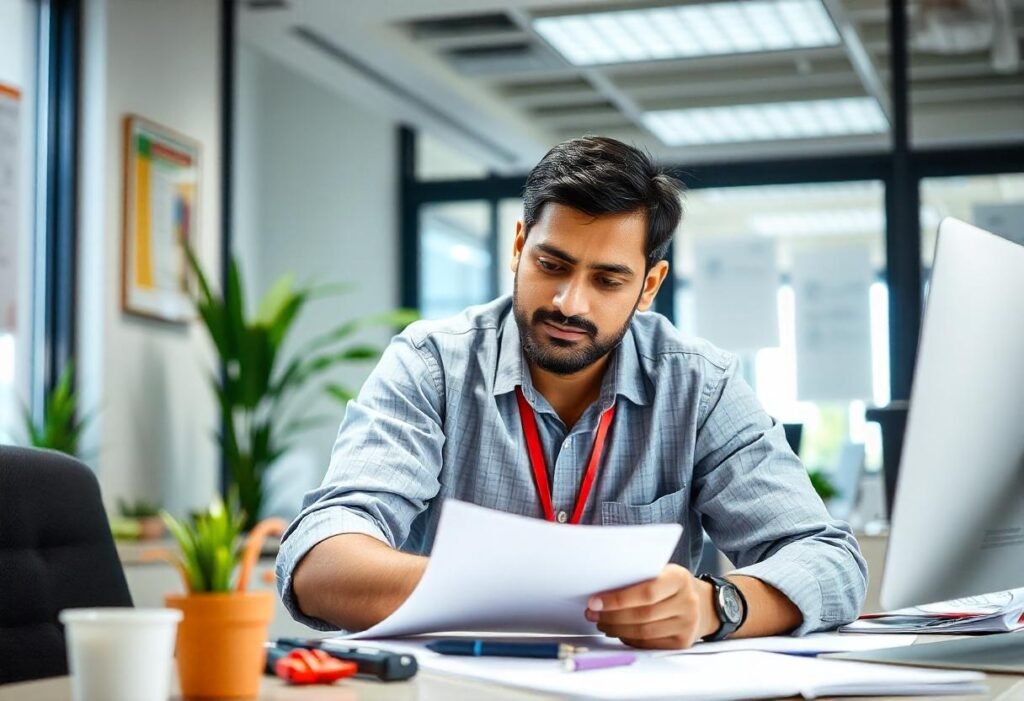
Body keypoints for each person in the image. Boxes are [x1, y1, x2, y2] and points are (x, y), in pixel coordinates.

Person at [276, 136, 867, 649]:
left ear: (648, 286)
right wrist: (517, 591)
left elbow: (831, 560)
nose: (569, 303)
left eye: (607, 280)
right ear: (518, 245)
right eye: (551, 264)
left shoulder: (700, 385)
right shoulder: (431, 366)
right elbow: (319, 562)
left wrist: (717, 606)